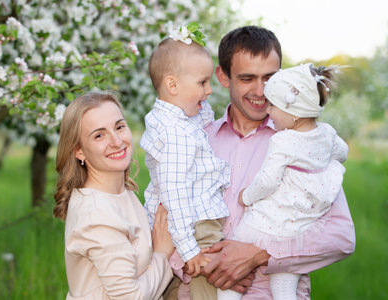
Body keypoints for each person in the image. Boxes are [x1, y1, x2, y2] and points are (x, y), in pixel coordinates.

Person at [167, 26, 356, 299]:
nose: (261, 90)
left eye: (270, 77)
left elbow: (340, 237)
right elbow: (167, 215)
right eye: (247, 78)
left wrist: (259, 255)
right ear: (223, 76)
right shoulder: (196, 142)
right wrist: (199, 263)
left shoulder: (305, 142)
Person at [217, 63, 348, 300]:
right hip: (298, 228)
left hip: (263, 224)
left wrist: (246, 196)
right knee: (285, 283)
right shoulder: (328, 133)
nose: (268, 111)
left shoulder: (282, 140)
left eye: (273, 106)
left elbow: (268, 181)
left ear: (294, 112)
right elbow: (343, 152)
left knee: (229, 267)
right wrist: (318, 162)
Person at [53, 91, 174, 299]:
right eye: (99, 135)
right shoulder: (97, 214)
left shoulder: (119, 192)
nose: (117, 141)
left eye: (119, 127)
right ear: (78, 151)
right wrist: (162, 255)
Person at [140, 24, 230, 300]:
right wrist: (189, 249)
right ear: (173, 85)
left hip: (187, 222)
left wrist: (199, 103)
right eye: (202, 83)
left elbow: (200, 122)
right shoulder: (175, 134)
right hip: (196, 223)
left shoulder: (171, 118)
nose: (210, 90)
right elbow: (175, 192)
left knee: (167, 285)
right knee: (208, 283)